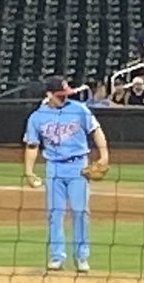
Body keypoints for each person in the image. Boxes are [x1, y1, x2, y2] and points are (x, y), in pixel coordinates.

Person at [23, 76, 110, 273]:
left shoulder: (79, 109)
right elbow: (32, 145)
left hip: (78, 166)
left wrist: (104, 155)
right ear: (49, 95)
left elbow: (96, 131)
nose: (64, 98)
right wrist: (29, 171)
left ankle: (81, 257)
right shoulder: (37, 117)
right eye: (60, 96)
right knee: (54, 214)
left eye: (66, 95)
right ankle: (56, 257)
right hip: (53, 167)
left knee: (80, 212)